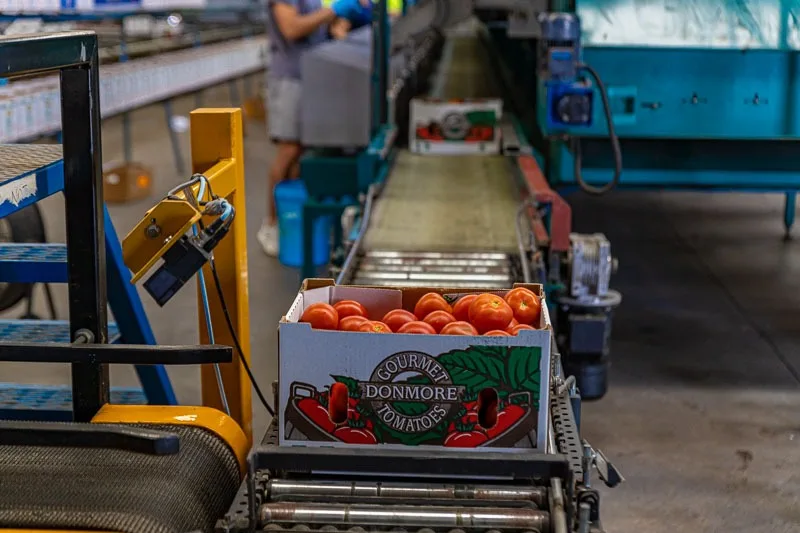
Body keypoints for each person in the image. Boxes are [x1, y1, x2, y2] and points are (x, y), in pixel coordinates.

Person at [258, 0, 372, 256]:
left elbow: (325, 29)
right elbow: (292, 29)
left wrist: (341, 24)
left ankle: (294, 219)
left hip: (315, 74)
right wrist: (333, 11)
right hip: (291, 79)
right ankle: (272, 224)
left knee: (305, 151)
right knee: (289, 148)